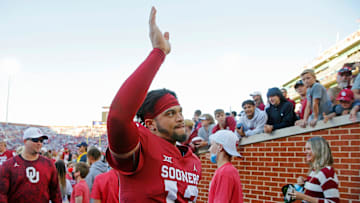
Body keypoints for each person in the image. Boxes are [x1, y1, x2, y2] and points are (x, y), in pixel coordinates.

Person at [105, 7, 202, 202]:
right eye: (170, 113)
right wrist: (159, 53)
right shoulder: (142, 145)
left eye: (180, 112)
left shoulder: (193, 160)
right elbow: (117, 118)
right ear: (150, 124)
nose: (180, 118)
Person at [0, 127, 62, 203]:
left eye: (41, 140)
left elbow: (56, 194)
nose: (39, 143)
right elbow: (2, 194)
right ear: (25, 141)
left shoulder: (49, 164)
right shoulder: (8, 165)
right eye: (35, 140)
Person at [290, 136, 339, 202]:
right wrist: (302, 184)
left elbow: (333, 202)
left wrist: (304, 197)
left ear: (318, 151)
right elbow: (315, 192)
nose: (305, 152)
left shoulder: (327, 172)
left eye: (308, 149)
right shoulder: (314, 171)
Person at [208, 130, 243, 203]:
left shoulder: (225, 172)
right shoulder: (227, 170)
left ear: (220, 147)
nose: (209, 149)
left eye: (212, 145)